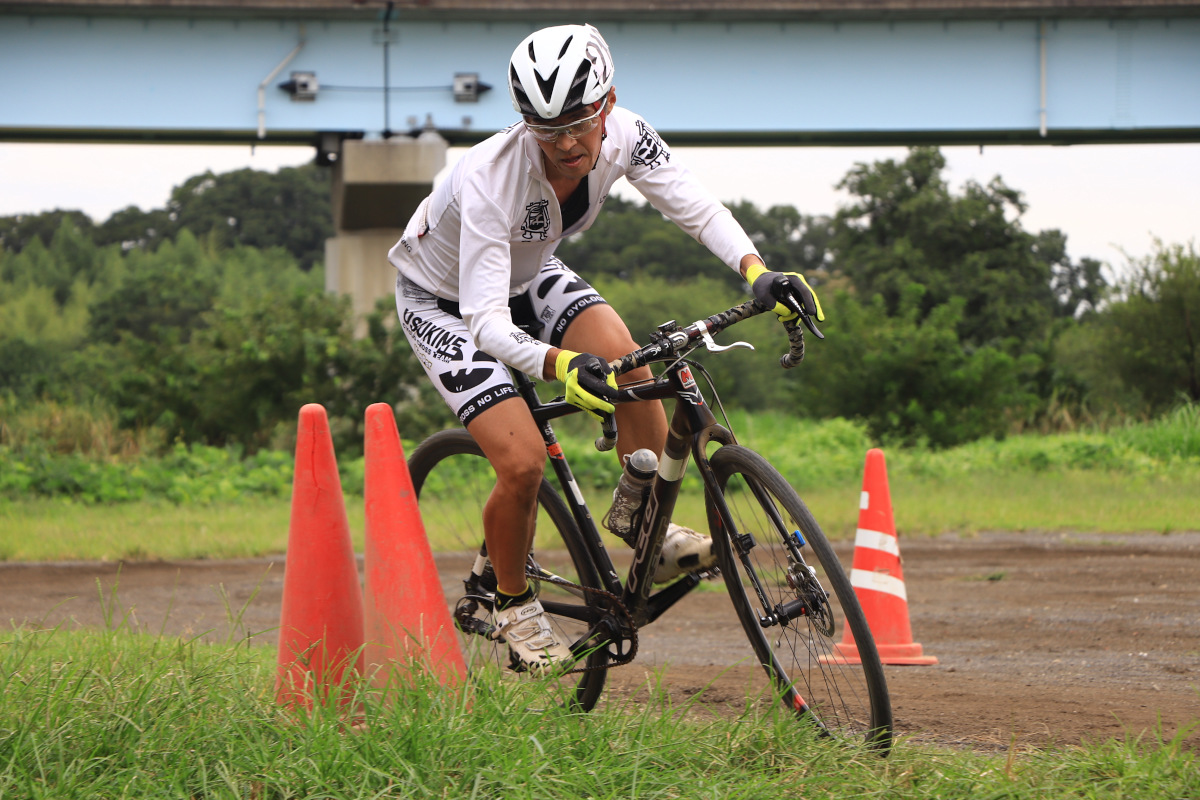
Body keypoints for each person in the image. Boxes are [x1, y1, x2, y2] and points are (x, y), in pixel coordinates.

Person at [389, 23, 823, 672]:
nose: (565, 143)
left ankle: (642, 522)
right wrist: (563, 365)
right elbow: (485, 322)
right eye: (546, 128)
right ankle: (512, 602)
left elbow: (694, 208)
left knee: (633, 362)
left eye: (578, 122)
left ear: (609, 102)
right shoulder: (489, 178)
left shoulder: (627, 135)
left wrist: (758, 272)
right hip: (446, 303)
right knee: (522, 461)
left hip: (528, 272)